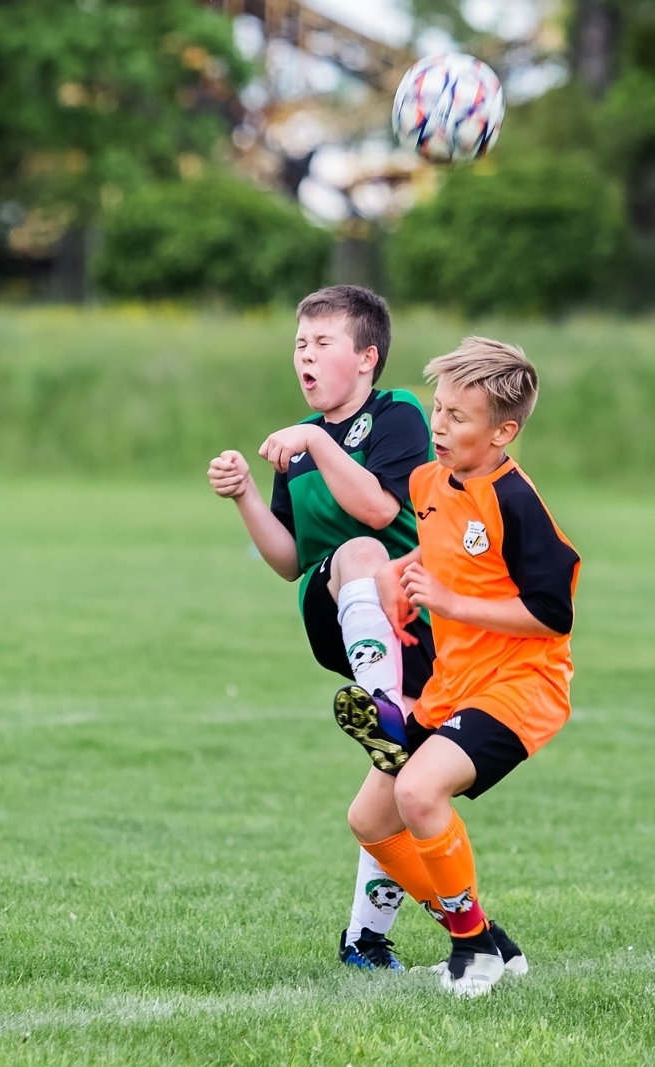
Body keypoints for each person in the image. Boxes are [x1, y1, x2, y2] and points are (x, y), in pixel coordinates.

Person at [335, 336, 581, 996]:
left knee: (418, 791)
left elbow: (553, 611)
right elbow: (440, 555)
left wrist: (451, 602)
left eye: (457, 417)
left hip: (521, 687)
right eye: (437, 410)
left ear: (504, 432)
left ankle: (470, 953)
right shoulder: (427, 483)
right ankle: (491, 940)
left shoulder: (515, 500)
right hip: (454, 686)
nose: (439, 425)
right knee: (371, 818)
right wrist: (397, 573)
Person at [206, 285, 436, 971]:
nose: (305, 355)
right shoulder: (300, 442)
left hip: (413, 628)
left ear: (366, 357)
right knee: (359, 558)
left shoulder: (398, 414)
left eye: (321, 342)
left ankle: (364, 940)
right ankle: (381, 704)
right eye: (299, 344)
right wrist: (248, 494)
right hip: (339, 612)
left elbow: (377, 504)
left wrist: (314, 438)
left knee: (398, 789)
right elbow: (291, 559)